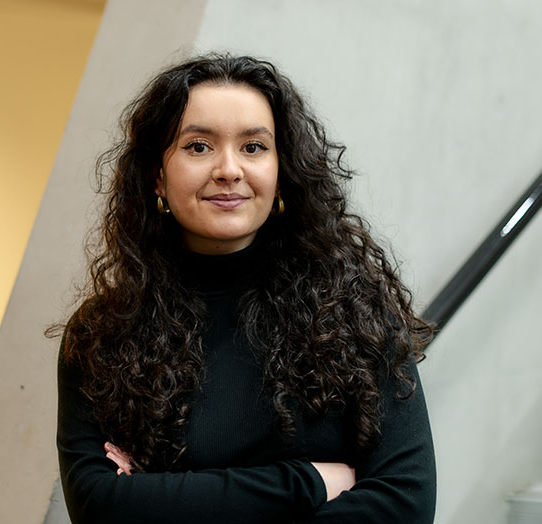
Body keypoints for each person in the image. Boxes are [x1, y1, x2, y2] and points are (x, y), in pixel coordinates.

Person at [54, 54, 436, 523]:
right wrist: (309, 482)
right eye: (198, 147)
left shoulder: (357, 315)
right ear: (157, 175)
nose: (229, 169)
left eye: (253, 147)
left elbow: (405, 505)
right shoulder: (103, 334)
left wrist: (162, 499)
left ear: (282, 172)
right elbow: (100, 508)